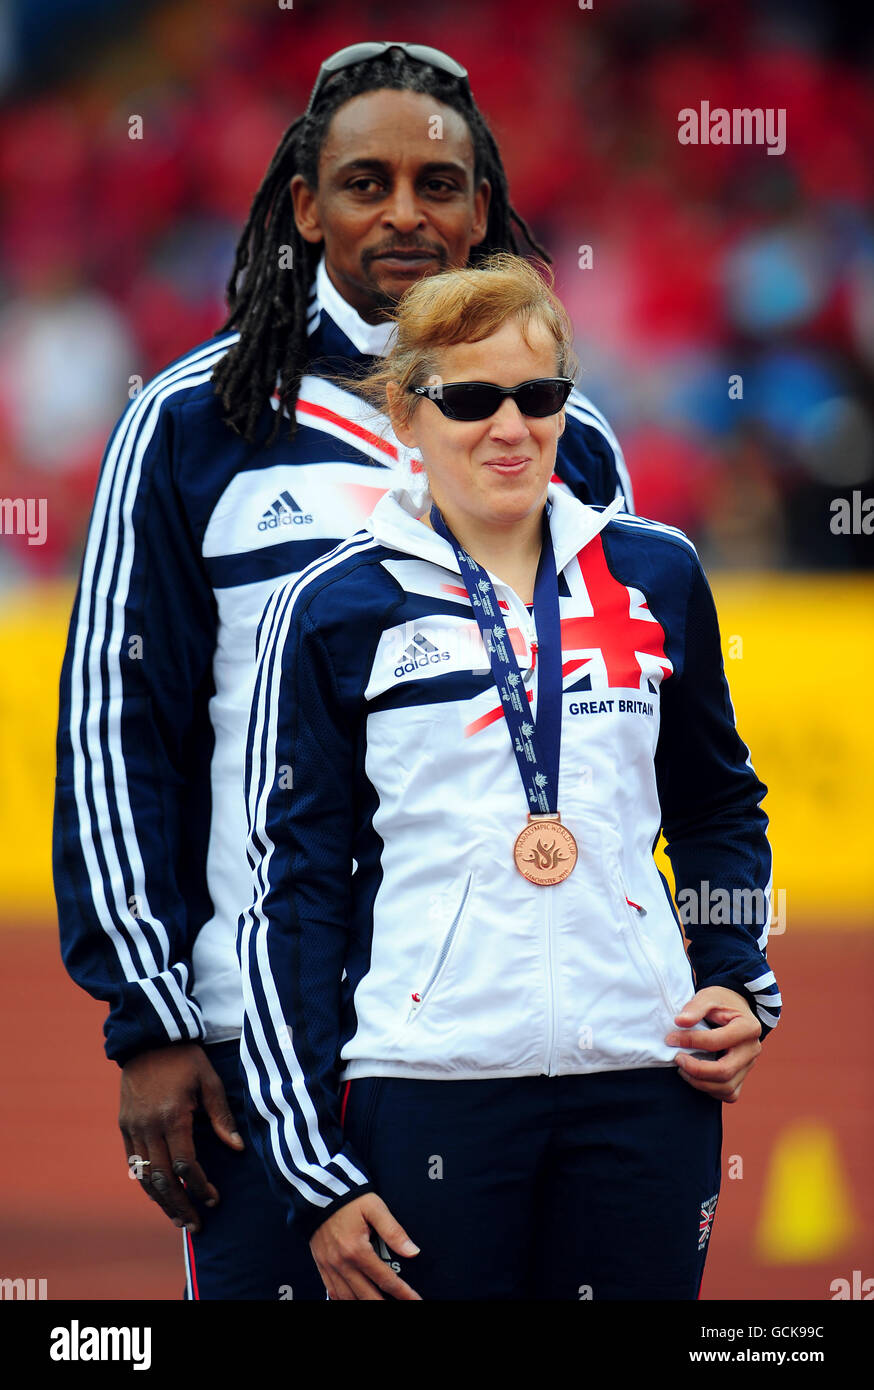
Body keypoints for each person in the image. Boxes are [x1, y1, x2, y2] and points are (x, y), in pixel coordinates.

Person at [52, 43, 631, 1301]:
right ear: (306, 207)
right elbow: (116, 729)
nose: (407, 211)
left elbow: (612, 740)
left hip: (514, 1036)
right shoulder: (194, 422)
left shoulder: (568, 435)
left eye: (441, 181)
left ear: (482, 208)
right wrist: (150, 1020)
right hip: (269, 1040)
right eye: (367, 181)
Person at [239, 252, 781, 1302]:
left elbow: (718, 802)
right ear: (406, 412)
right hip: (427, 1083)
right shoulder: (336, 605)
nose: (509, 426)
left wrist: (731, 969)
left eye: (537, 397)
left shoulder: (656, 572)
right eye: (471, 397)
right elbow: (296, 892)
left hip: (642, 1079)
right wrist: (311, 1171)